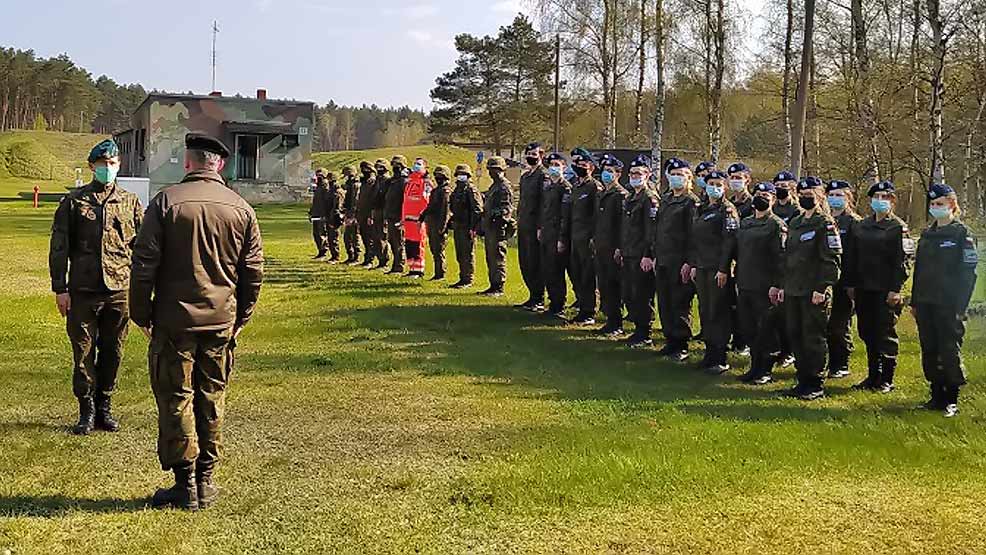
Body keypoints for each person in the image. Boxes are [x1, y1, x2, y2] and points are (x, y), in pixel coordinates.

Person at [130, 133, 264, 511]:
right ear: (217, 164)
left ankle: (186, 483)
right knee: (212, 396)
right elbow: (253, 272)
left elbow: (143, 266)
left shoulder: (166, 202)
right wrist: (242, 316)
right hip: (220, 320)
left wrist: (141, 314)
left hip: (175, 321)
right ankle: (205, 481)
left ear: (188, 162)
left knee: (177, 397)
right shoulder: (241, 208)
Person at [49, 139, 142, 435]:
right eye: (102, 164)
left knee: (114, 350)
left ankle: (105, 406)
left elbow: (143, 249)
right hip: (83, 290)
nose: (108, 169)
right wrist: (59, 288)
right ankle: (86, 411)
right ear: (92, 166)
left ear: (119, 166)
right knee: (83, 351)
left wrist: (142, 289)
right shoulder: (74, 202)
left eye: (112, 164)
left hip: (119, 290)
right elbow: (59, 247)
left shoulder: (131, 202)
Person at [912, 183, 978, 417]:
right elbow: (919, 270)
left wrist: (960, 306)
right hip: (926, 302)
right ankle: (936, 394)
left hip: (949, 305)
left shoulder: (962, 234)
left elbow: (968, 273)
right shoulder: (928, 234)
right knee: (929, 348)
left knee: (948, 349)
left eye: (940, 204)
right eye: (932, 204)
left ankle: (951, 399)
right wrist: (915, 302)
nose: (935, 208)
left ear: (952, 205)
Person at [777, 176, 841, 400]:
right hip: (794, 289)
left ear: (820, 195)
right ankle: (802, 379)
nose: (806, 198)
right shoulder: (795, 223)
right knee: (796, 335)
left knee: (813, 337)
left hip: (814, 291)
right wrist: (784, 285)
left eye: (810, 194)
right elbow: (788, 258)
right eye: (802, 194)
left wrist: (822, 287)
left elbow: (831, 259)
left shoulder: (825, 223)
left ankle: (815, 383)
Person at [848, 180, 913, 393]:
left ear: (892, 201)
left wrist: (896, 289)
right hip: (864, 288)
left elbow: (903, 261)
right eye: (876, 198)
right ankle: (872, 376)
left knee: (885, 333)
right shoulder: (861, 226)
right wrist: (851, 284)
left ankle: (886, 379)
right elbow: (853, 257)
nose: (880, 201)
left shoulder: (898, 228)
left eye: (885, 198)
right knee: (867, 332)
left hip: (885, 290)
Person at [726, 182, 787, 384]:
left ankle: (765, 370)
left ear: (773, 199)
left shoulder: (776, 225)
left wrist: (777, 284)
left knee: (766, 329)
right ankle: (754, 367)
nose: (762, 198)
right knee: (748, 327)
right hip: (745, 282)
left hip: (765, 285)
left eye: (767, 195)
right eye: (759, 194)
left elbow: (782, 257)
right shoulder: (747, 222)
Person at [685, 170, 739, 373]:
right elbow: (694, 239)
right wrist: (694, 264)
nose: (714, 187)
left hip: (717, 268)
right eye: (711, 183)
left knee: (718, 311)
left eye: (718, 183)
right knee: (706, 310)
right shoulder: (702, 208)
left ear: (725, 187)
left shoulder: (727, 210)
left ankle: (720, 357)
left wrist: (724, 268)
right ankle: (709, 354)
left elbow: (729, 240)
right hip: (702, 267)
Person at [653, 158, 699, 361]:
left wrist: (689, 262)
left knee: (679, 302)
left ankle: (681, 344)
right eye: (673, 174)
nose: (676, 178)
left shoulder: (691, 202)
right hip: (663, 258)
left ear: (689, 178)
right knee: (665, 301)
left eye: (681, 174)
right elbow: (659, 230)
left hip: (680, 261)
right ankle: (670, 340)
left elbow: (693, 235)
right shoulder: (666, 199)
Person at [619, 155, 659, 348]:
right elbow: (627, 228)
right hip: (628, 252)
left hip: (641, 255)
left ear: (647, 175)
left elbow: (651, 230)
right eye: (633, 173)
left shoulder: (649, 198)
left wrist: (648, 255)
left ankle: (645, 333)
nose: (635, 176)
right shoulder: (630, 197)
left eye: (639, 173)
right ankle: (637, 330)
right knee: (630, 293)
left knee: (643, 295)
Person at [824, 180, 861, 379]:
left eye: (839, 195)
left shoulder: (854, 222)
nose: (834, 199)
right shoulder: (824, 219)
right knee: (825, 325)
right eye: (832, 194)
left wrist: (852, 283)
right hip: (826, 281)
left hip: (844, 282)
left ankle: (841, 363)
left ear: (848, 198)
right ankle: (829, 362)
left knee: (840, 325)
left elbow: (857, 256)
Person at [594, 154, 630, 335]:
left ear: (618, 174)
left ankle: (616, 323)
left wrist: (619, 247)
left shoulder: (620, 195)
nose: (606, 174)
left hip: (613, 248)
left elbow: (623, 225)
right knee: (604, 284)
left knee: (614, 285)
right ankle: (609, 319)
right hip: (601, 245)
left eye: (610, 171)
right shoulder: (602, 194)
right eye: (604, 171)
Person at [568, 147, 602, 324]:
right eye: (577, 164)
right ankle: (582, 306)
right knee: (577, 274)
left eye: (583, 164)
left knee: (588, 276)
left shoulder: (594, 187)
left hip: (587, 239)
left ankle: (589, 312)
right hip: (575, 237)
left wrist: (593, 238)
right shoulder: (576, 186)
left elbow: (597, 215)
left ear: (591, 167)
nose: (579, 167)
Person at [538, 152, 572, 316]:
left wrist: (561, 238)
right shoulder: (548, 187)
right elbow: (544, 211)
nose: (554, 169)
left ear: (564, 168)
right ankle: (552, 302)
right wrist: (540, 228)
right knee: (548, 270)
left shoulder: (565, 188)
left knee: (556, 271)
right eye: (551, 166)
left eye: (557, 165)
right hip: (546, 234)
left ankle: (559, 304)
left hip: (557, 236)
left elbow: (565, 216)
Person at [516, 142, 546, 311]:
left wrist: (540, 226)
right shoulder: (525, 177)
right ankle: (531, 295)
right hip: (524, 224)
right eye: (528, 153)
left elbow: (543, 204)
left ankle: (539, 297)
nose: (531, 157)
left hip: (535, 226)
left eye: (534, 154)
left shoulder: (543, 176)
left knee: (535, 262)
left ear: (541, 155)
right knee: (525, 261)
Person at [480, 156, 515, 296]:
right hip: (490, 226)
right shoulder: (494, 186)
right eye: (490, 170)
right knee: (490, 257)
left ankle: (499, 286)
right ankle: (493, 284)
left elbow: (506, 209)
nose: (491, 172)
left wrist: (494, 214)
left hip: (498, 227)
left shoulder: (504, 187)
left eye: (494, 170)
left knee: (498, 257)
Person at [448, 164, 483, 289]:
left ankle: (468, 279)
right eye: (459, 175)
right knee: (460, 254)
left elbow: (477, 210)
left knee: (467, 254)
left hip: (467, 227)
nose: (461, 177)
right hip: (458, 226)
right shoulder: (456, 190)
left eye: (463, 175)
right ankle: (462, 277)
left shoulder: (471, 190)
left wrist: (473, 228)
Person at [421, 164, 452, 281]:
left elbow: (445, 211)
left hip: (438, 223)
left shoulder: (445, 191)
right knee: (434, 249)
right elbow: (430, 206)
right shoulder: (436, 190)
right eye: (437, 176)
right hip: (432, 223)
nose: (438, 178)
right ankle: (437, 272)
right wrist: (423, 215)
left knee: (439, 250)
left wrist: (442, 226)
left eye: (440, 176)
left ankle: (440, 273)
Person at [383, 155, 409, 274]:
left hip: (398, 216)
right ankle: (395, 265)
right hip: (390, 215)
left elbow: (405, 200)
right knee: (392, 242)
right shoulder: (392, 181)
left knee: (399, 242)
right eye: (393, 165)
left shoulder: (404, 181)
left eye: (398, 166)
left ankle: (399, 266)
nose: (395, 168)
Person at [369, 159, 392, 270]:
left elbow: (388, 198)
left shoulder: (388, 181)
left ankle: (384, 261)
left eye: (381, 167)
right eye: (377, 167)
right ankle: (380, 260)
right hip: (376, 210)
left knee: (383, 236)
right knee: (376, 237)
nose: (379, 169)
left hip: (384, 211)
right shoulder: (377, 180)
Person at [356, 161, 379, 267]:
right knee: (364, 236)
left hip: (368, 214)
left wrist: (371, 215)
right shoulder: (364, 182)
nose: (363, 171)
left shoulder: (372, 182)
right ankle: (366, 258)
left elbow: (373, 200)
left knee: (370, 238)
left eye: (366, 169)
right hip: (361, 213)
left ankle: (370, 260)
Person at [341, 165, 362, 265]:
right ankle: (351, 256)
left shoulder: (356, 185)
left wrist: (352, 216)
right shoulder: (349, 185)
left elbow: (355, 201)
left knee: (354, 237)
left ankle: (356, 257)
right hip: (349, 213)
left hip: (353, 215)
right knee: (347, 237)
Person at [309, 168, 331, 260]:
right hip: (316, 213)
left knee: (322, 233)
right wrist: (311, 212)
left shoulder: (326, 186)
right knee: (316, 234)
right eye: (317, 175)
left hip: (322, 214)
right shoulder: (317, 187)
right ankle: (320, 251)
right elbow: (315, 201)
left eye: (320, 175)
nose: (318, 177)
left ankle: (324, 252)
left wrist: (326, 214)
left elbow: (327, 201)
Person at [324, 171, 344, 263]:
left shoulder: (337, 191)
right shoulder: (330, 190)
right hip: (329, 216)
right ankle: (333, 255)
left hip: (335, 217)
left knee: (334, 237)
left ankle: (336, 256)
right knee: (330, 238)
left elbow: (337, 207)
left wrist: (333, 219)